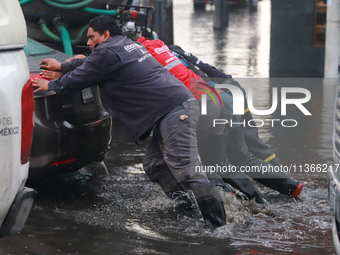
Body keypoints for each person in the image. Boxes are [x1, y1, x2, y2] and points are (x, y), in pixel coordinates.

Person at [32, 15, 226, 227]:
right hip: (174, 107)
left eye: (91, 37)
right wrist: (62, 66)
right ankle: (187, 212)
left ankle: (217, 227)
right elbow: (89, 63)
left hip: (173, 110)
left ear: (105, 35)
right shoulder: (125, 44)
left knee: (188, 171)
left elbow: (83, 74)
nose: (88, 43)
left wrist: (52, 85)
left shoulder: (107, 51)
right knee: (155, 165)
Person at [169, 45, 303, 199]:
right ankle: (286, 184)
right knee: (245, 150)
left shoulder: (163, 56)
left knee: (219, 160)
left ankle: (247, 198)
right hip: (230, 88)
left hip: (219, 95)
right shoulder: (173, 51)